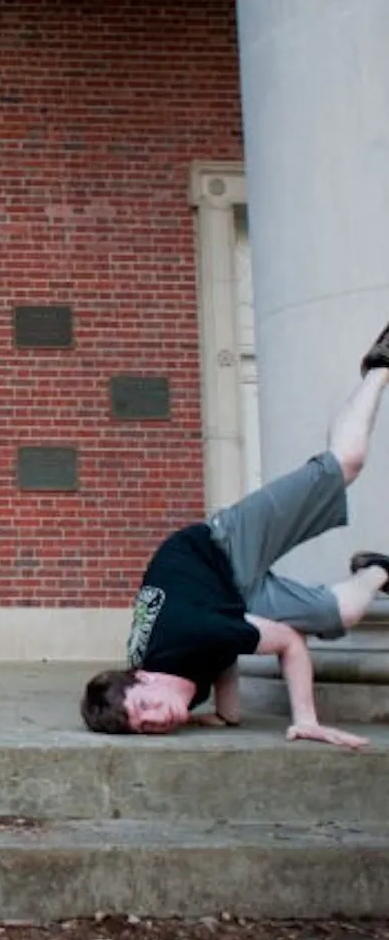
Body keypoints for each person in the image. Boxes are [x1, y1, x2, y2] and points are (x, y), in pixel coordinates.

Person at [81, 320, 389, 747]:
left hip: (222, 548)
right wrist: (227, 714)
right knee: (345, 614)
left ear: (144, 676)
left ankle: (379, 366)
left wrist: (307, 720)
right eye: (145, 727)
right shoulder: (178, 667)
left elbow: (287, 643)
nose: (159, 719)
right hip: (228, 595)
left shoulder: (188, 638)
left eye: (145, 707)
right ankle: (376, 569)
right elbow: (220, 650)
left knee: (347, 462)